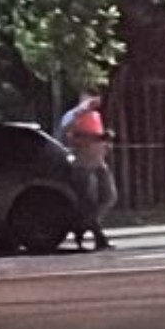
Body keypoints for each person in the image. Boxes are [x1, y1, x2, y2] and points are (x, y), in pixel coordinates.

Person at [58, 89, 117, 251]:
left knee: (108, 196)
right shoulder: (73, 115)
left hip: (98, 161)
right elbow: (65, 131)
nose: (94, 101)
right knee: (87, 201)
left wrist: (106, 141)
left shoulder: (96, 116)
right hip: (82, 163)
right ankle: (98, 237)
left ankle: (82, 227)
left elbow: (98, 135)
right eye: (90, 97)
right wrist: (81, 110)